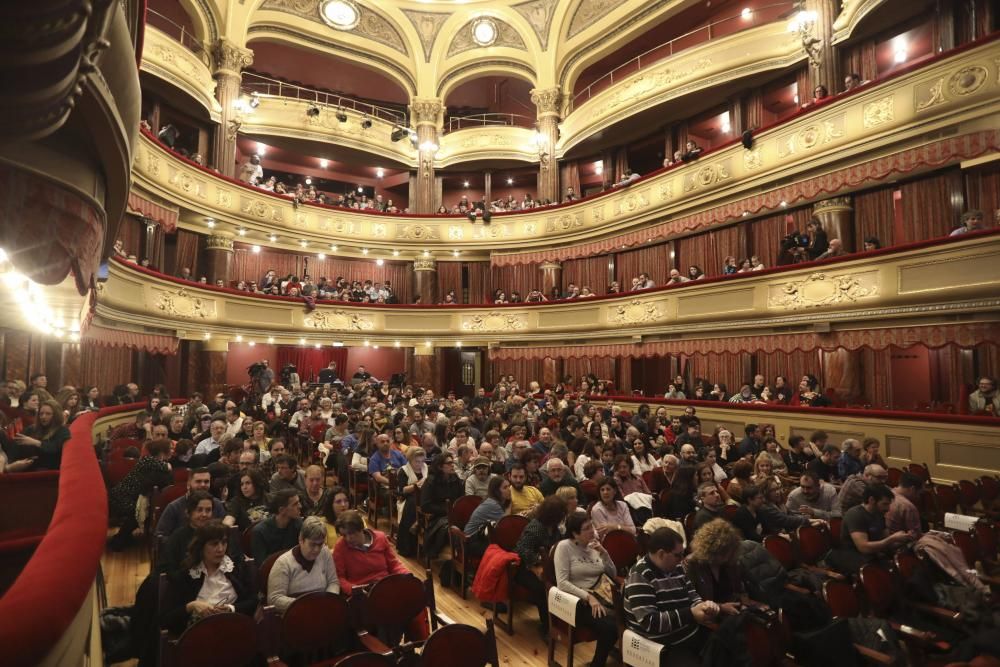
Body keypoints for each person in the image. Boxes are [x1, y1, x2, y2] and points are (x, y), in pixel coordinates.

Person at [624, 527, 719, 666]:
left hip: (688, 633)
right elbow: (650, 622)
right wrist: (691, 614)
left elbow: (692, 595)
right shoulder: (640, 575)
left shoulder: (676, 568)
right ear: (662, 554)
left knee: (727, 648)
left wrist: (703, 606)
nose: (681, 560)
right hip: (661, 645)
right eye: (678, 555)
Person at [158, 521, 255, 636]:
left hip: (234, 629)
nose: (220, 549)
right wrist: (191, 606)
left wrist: (231, 608)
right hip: (198, 636)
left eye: (224, 543)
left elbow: (254, 601)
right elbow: (165, 619)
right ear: (201, 546)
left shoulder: (237, 568)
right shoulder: (186, 574)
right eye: (214, 544)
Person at [554, 513, 619, 667]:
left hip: (604, 595)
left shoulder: (594, 546)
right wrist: (588, 598)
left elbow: (613, 574)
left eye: (592, 526)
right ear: (575, 533)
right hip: (578, 601)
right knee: (610, 626)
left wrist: (604, 553)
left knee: (627, 617)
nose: (592, 531)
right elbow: (562, 583)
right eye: (587, 529)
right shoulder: (564, 547)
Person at [514, 495, 568, 636]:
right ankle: (546, 627)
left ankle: (560, 621)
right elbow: (522, 550)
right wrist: (536, 565)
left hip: (547, 567)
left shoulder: (555, 528)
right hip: (525, 568)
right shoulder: (535, 528)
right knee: (543, 590)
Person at [828, 484, 912, 574]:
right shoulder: (855, 515)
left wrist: (905, 539)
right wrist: (892, 539)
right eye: (884, 504)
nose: (888, 509)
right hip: (853, 555)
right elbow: (864, 547)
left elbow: (885, 540)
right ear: (871, 500)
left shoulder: (879, 514)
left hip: (873, 554)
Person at [266, 516, 340, 615]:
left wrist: (328, 600)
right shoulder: (283, 563)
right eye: (313, 544)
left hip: (322, 608)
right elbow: (274, 599)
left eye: (320, 544)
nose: (317, 550)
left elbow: (333, 582)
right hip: (296, 613)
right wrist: (306, 605)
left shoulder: (325, 553)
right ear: (301, 539)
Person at [108, 439, 173, 550]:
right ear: (162, 452)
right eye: (170, 448)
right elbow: (165, 471)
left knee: (139, 511)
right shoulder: (147, 461)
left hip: (127, 497)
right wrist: (168, 466)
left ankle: (122, 539)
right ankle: (117, 542)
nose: (172, 450)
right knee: (136, 513)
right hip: (120, 498)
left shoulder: (154, 465)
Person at [684, 519, 753, 614]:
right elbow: (692, 602)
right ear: (710, 550)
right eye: (722, 553)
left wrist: (746, 603)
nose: (726, 557)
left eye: (728, 552)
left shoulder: (730, 561)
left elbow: (739, 590)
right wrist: (721, 608)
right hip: (708, 616)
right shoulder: (693, 564)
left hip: (733, 611)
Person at [332, 509, 408, 595]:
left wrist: (407, 575)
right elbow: (340, 577)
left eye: (351, 533)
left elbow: (393, 564)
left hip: (385, 586)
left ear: (361, 528)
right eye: (344, 535)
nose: (348, 539)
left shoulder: (380, 538)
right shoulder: (340, 547)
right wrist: (352, 589)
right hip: (362, 591)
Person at [156, 468, 230, 537]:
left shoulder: (217, 504)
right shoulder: (174, 507)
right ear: (188, 484)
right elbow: (161, 535)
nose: (203, 485)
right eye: (198, 481)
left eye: (206, 482)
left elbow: (224, 532)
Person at [420, 452, 464, 561]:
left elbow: (461, 497)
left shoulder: (455, 478)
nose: (452, 465)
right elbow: (425, 505)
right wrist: (446, 510)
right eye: (449, 463)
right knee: (452, 530)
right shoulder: (431, 481)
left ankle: (464, 556)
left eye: (452, 462)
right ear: (440, 466)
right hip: (437, 516)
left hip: (454, 514)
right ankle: (456, 558)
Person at [10, 399, 70, 470]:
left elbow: (55, 449)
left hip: (48, 469)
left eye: (48, 414)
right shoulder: (31, 429)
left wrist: (36, 443)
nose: (43, 417)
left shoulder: (62, 431)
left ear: (56, 415)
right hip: (26, 466)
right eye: (41, 414)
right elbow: (16, 447)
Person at [251, 488, 303, 565]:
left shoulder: (298, 524)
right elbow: (262, 565)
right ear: (282, 510)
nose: (300, 506)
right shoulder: (259, 532)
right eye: (295, 504)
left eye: (299, 502)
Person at [465, 476, 511, 558]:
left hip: (480, 538)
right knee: (507, 547)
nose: (509, 489)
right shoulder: (493, 505)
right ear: (496, 491)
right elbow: (506, 524)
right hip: (471, 542)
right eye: (505, 487)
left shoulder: (494, 501)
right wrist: (510, 505)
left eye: (509, 486)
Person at [395, 446, 427, 557]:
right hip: (407, 498)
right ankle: (408, 547)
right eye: (417, 461)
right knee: (413, 505)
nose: (420, 464)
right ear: (410, 459)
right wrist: (417, 484)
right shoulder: (403, 470)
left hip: (424, 496)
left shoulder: (425, 467)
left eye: (422, 461)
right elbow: (401, 490)